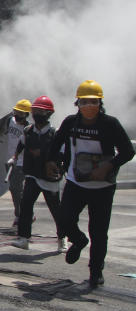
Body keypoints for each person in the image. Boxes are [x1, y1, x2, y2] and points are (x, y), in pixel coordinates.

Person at [48, 80, 134, 287]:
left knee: (99, 231)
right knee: (64, 218)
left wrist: (109, 166)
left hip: (103, 187)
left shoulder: (110, 124)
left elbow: (128, 151)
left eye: (93, 102)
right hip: (75, 183)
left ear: (100, 103)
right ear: (77, 103)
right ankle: (78, 240)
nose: (88, 106)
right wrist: (51, 162)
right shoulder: (70, 123)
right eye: (84, 101)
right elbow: (55, 145)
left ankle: (96, 272)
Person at [11, 96, 66, 252]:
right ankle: (23, 238)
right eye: (35, 111)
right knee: (26, 204)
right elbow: (21, 144)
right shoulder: (28, 131)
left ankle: (62, 237)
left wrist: (56, 165)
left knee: (55, 209)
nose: (36, 114)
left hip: (49, 178)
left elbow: (62, 154)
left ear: (48, 114)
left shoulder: (55, 134)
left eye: (40, 111)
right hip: (32, 175)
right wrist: (14, 157)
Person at [6, 99, 32, 225]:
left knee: (18, 189)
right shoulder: (9, 121)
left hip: (21, 162)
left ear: (26, 115)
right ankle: (21, 213)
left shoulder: (28, 128)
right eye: (16, 112)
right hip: (10, 160)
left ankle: (22, 215)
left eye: (21, 113)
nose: (17, 115)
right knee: (13, 189)